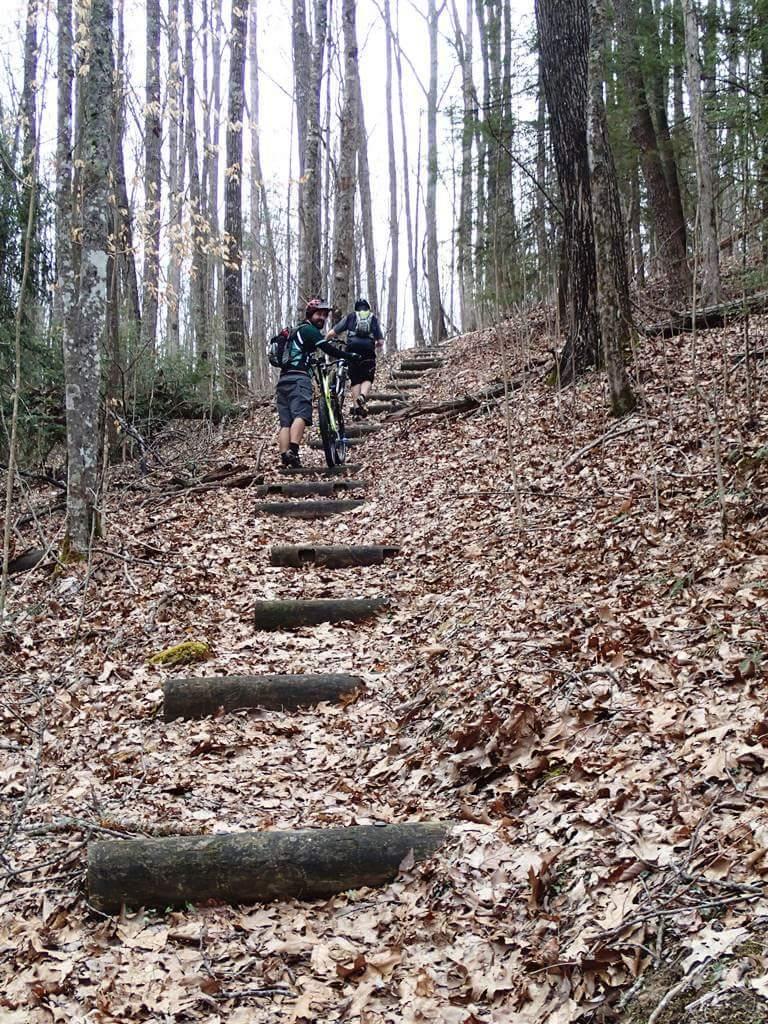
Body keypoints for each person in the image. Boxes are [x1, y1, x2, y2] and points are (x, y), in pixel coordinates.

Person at [276, 298, 350, 468]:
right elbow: (328, 349)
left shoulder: (295, 332)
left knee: (285, 422)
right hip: (299, 379)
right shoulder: (309, 330)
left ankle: (285, 458)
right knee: (301, 415)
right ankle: (293, 452)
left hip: (283, 381)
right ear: (310, 314)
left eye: (324, 315)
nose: (322, 318)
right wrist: (349, 356)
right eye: (319, 314)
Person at [326, 298, 383, 418]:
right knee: (367, 377)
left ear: (356, 309)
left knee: (355, 380)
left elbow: (332, 333)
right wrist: (375, 344)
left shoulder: (351, 317)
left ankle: (357, 410)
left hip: (352, 349)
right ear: (367, 309)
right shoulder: (373, 318)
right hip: (368, 350)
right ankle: (362, 396)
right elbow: (381, 341)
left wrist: (325, 340)